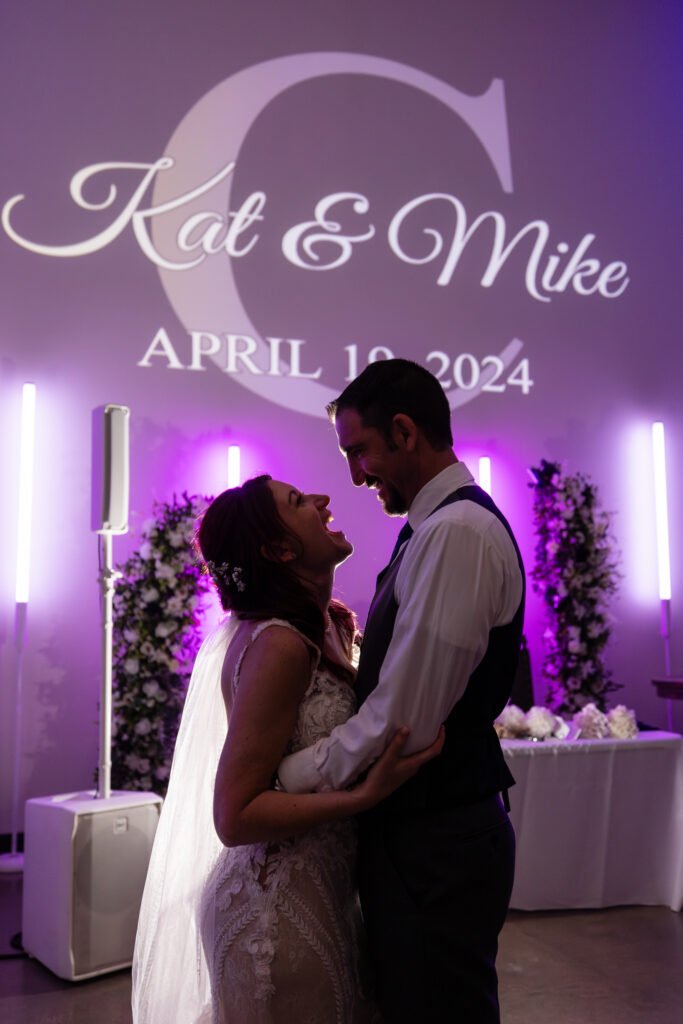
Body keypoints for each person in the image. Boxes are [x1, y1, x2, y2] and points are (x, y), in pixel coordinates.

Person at [131, 474, 444, 1024]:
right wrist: (363, 796)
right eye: (299, 502)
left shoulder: (329, 626)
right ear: (279, 549)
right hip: (273, 917)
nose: (322, 500)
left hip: (323, 893)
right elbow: (235, 814)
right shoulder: (279, 644)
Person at [277, 359, 525, 1024]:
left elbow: (405, 722)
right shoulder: (433, 527)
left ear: (405, 431)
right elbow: (411, 684)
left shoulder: (456, 534)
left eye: (359, 451)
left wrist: (290, 774)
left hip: (438, 839)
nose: (355, 475)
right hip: (424, 832)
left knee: (434, 1008)